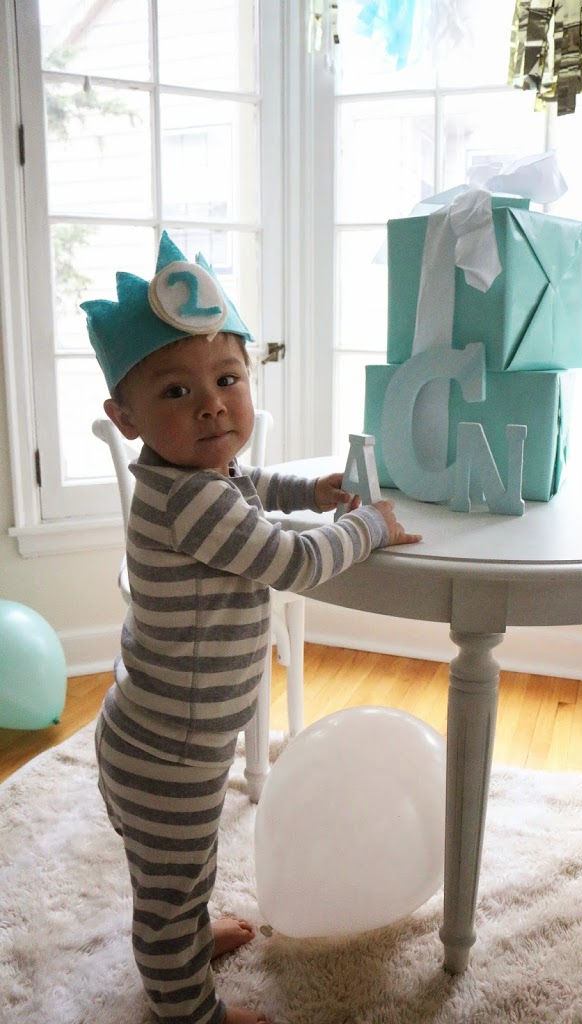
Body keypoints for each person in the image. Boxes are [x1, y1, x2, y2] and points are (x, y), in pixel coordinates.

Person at [81, 231, 421, 1024]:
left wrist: (312, 489)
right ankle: (186, 1008)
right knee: (168, 890)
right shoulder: (188, 499)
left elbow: (253, 482)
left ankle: (190, 933)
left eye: (227, 379)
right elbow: (290, 561)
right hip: (166, 753)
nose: (211, 404)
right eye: (176, 392)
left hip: (166, 735)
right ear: (125, 418)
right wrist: (367, 524)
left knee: (184, 867)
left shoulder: (198, 473)